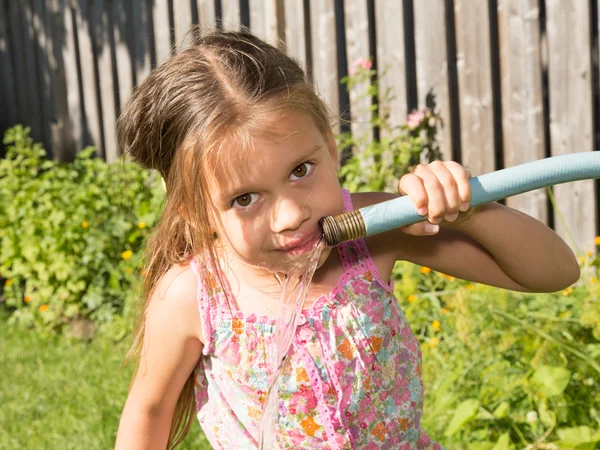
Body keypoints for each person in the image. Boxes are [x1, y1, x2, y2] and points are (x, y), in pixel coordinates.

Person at [114, 29, 580, 450]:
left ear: (331, 147)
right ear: (195, 210)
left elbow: (555, 272)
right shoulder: (194, 293)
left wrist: (472, 211)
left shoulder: (374, 230)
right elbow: (150, 409)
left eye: (301, 170)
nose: (291, 215)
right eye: (245, 198)